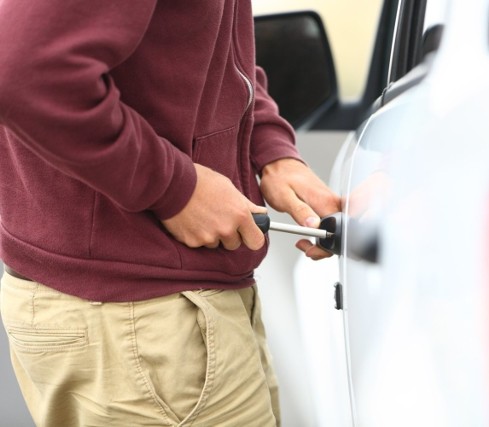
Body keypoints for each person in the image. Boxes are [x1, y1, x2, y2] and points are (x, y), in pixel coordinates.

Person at [0, 0, 341, 425]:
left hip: (156, 317)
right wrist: (175, 188)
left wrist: (269, 148)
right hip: (146, 322)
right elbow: (28, 70)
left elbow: (213, 52)